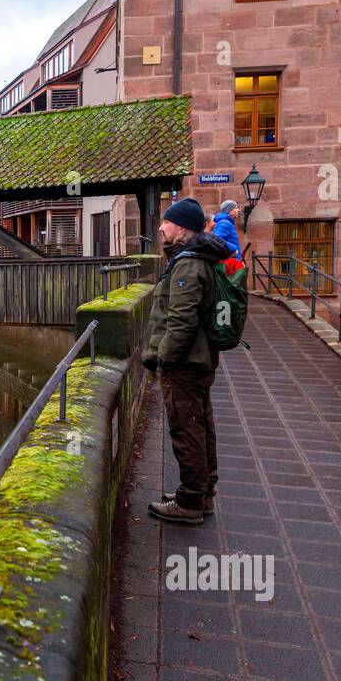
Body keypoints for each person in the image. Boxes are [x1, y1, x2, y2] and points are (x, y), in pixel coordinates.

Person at [141, 197, 232, 525]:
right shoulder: (195, 259)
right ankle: (202, 492)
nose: (161, 227)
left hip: (185, 364)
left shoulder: (188, 265)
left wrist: (163, 360)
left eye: (166, 222)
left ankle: (190, 501)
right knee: (201, 424)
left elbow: (181, 320)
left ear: (181, 228)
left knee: (187, 428)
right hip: (198, 359)